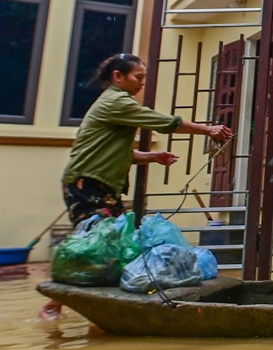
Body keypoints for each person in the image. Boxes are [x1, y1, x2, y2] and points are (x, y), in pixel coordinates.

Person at [59, 53, 232, 226]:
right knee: (98, 243)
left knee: (114, 240)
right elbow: (165, 122)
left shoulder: (114, 101)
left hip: (96, 183)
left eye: (144, 78)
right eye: (138, 77)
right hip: (88, 183)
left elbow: (115, 153)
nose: (142, 83)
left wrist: (152, 157)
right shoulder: (116, 102)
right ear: (118, 76)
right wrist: (208, 129)